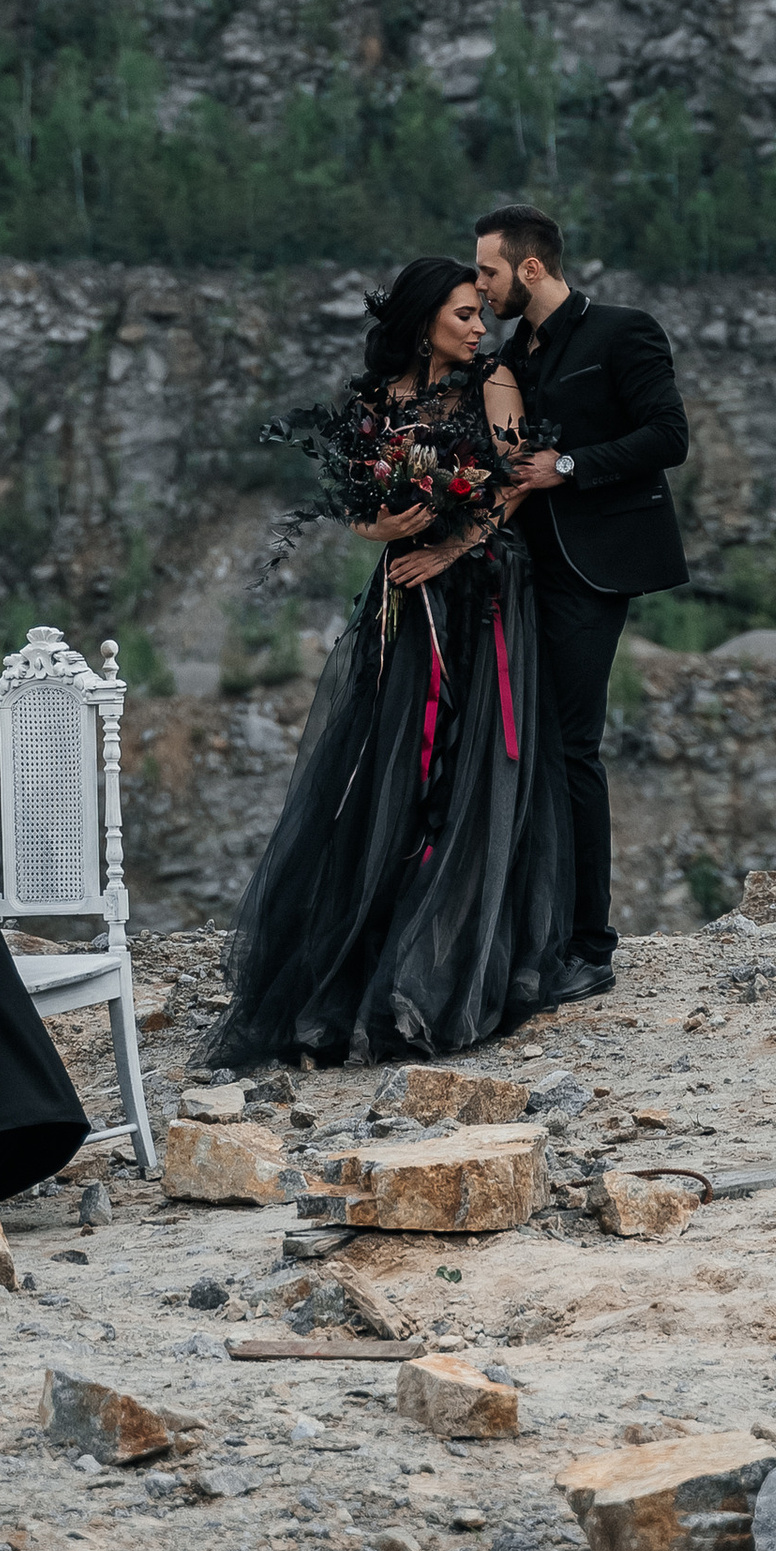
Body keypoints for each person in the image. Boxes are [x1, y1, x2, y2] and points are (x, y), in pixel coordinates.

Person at [201, 256, 562, 1070]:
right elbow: (365, 515)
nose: (481, 327)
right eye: (466, 314)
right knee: (387, 764)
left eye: (482, 313)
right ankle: (368, 965)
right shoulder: (376, 401)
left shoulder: (494, 382)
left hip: (482, 591)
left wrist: (450, 547)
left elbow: (514, 484)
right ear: (425, 315)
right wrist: (388, 532)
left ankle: (442, 974)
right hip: (405, 594)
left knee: (464, 767)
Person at [472, 201, 690, 1007]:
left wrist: (565, 467)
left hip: (595, 567)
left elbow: (669, 437)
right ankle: (535, 932)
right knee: (524, 749)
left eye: (490, 270)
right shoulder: (507, 353)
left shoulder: (624, 331)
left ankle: (590, 946)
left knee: (571, 749)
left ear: (531, 267)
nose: (483, 283)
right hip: (520, 569)